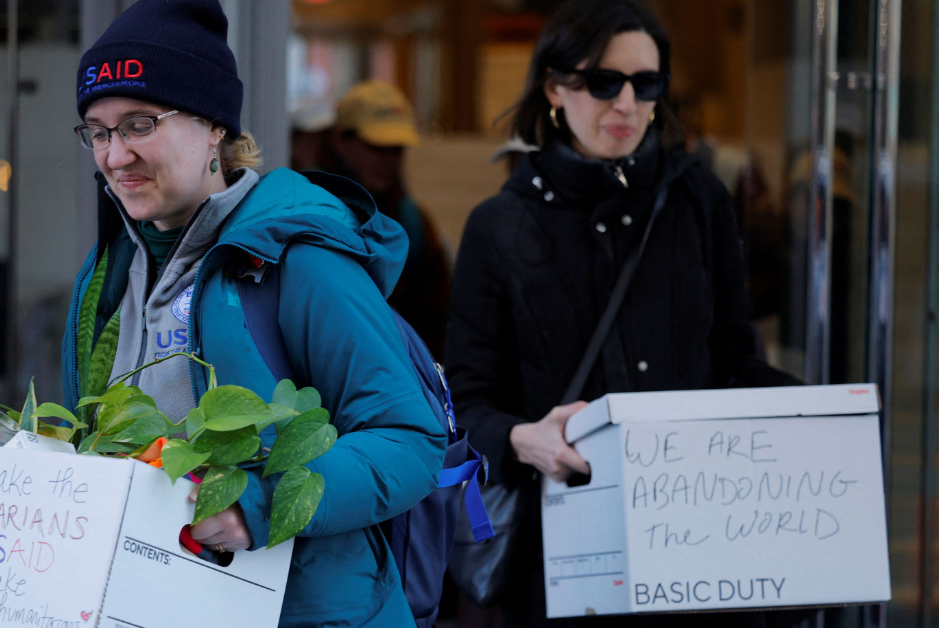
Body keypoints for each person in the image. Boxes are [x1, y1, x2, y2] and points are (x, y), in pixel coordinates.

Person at [59, 1, 445, 626]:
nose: (114, 156)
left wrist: (255, 506)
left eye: (139, 124)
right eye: (98, 131)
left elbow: (408, 440)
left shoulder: (298, 258)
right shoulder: (103, 276)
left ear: (214, 126)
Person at [444, 1, 801, 626]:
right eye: (604, 83)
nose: (627, 104)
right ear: (555, 87)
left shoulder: (697, 200)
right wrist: (525, 440)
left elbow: (735, 360)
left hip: (700, 542)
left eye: (647, 84)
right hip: (566, 554)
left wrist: (817, 421)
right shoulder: (499, 227)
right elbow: (466, 406)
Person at [330, 81, 452, 360]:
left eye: (396, 149)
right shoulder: (308, 211)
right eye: (376, 146)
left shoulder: (414, 222)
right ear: (340, 141)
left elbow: (436, 324)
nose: (388, 160)